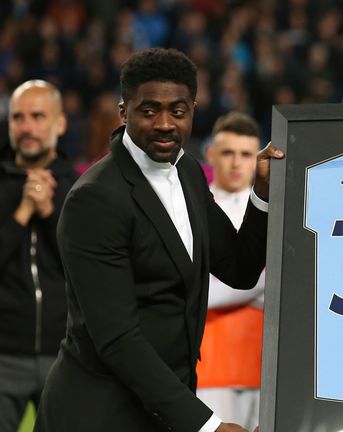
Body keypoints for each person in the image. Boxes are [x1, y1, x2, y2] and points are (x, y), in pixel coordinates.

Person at [34, 48, 283, 432]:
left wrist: (262, 193)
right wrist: (208, 425)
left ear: (193, 110)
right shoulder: (95, 199)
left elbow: (240, 268)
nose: (165, 124)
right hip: (97, 413)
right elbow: (117, 338)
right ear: (124, 111)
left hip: (161, 410)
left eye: (178, 111)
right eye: (149, 110)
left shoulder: (187, 171)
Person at [0, 80, 76, 432]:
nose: (26, 126)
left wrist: (48, 214)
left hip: (63, 353)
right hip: (3, 354)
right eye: (18, 117)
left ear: (59, 124)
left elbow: (84, 266)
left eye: (37, 116)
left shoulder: (81, 188)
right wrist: (22, 213)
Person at [196, 112, 265, 430]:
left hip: (262, 364)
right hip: (209, 365)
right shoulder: (194, 210)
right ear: (210, 154)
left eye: (246, 154)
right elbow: (261, 279)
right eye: (227, 153)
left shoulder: (276, 214)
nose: (237, 163)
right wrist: (260, 284)